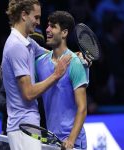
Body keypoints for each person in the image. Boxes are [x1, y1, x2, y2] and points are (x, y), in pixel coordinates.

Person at [1, 0, 71, 150]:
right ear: (24, 15)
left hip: (27, 125)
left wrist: (75, 56)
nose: (39, 22)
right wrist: (55, 76)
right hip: (22, 127)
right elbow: (28, 93)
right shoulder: (16, 46)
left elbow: (51, 55)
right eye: (36, 17)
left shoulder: (28, 42)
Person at [36, 11, 89, 150]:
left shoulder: (76, 63)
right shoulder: (40, 63)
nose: (47, 29)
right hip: (51, 141)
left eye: (53, 26)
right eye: (47, 26)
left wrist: (70, 140)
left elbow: (82, 108)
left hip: (73, 142)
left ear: (64, 33)